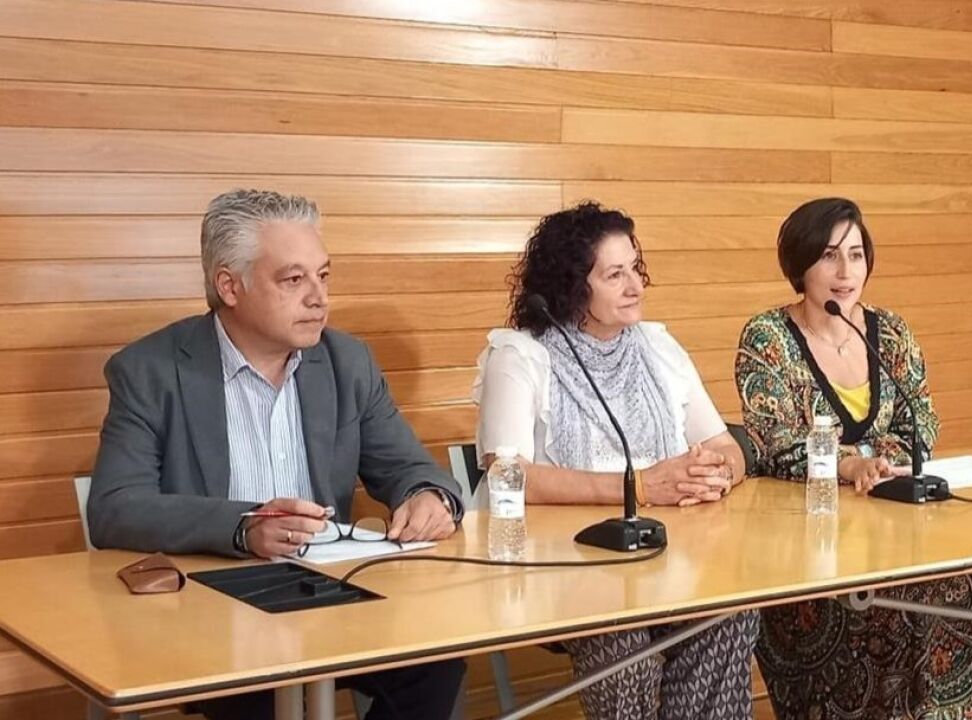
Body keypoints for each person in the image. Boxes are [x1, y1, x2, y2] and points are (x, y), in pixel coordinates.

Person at [88, 189, 466, 720]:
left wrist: (430, 496)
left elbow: (408, 466)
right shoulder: (151, 370)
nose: (318, 298)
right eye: (293, 280)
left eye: (323, 276)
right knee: (257, 691)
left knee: (436, 661)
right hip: (213, 608)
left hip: (331, 595)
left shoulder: (347, 362)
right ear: (230, 286)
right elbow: (114, 508)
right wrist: (244, 527)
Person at [473, 201, 760, 719]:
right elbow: (507, 476)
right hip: (566, 568)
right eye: (614, 275)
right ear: (571, 285)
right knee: (621, 637)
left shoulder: (657, 346)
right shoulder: (521, 355)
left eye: (635, 268)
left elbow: (727, 446)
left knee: (731, 612)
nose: (636, 286)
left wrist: (714, 475)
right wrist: (641, 487)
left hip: (670, 557)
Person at [735, 197, 972, 719]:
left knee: (964, 575)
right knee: (885, 605)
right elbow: (773, 441)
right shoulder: (767, 337)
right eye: (829, 256)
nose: (846, 273)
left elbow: (921, 422)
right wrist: (849, 465)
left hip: (895, 524)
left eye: (856, 255)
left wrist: (876, 465)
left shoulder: (891, 332)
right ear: (801, 264)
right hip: (810, 539)